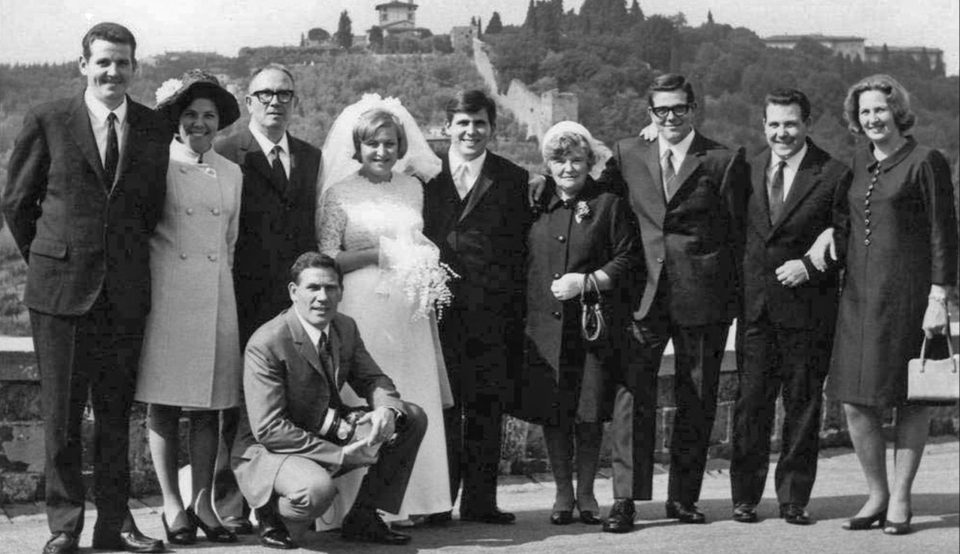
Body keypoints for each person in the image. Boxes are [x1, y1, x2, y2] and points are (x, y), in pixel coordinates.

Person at [1, 22, 167, 554]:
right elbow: (16, 203)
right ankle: (64, 528)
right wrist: (53, 258)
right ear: (83, 66)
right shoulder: (50, 120)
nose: (113, 72)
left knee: (117, 416)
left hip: (124, 295)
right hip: (60, 295)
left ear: (134, 68)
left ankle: (114, 526)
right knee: (64, 419)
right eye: (103, 62)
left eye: (122, 62)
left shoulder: (151, 127)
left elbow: (149, 210)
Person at [597, 73, 749, 529]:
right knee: (630, 396)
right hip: (641, 296)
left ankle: (683, 498)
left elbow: (740, 232)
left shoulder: (722, 159)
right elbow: (597, 199)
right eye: (661, 110)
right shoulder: (628, 153)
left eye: (678, 108)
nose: (670, 117)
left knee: (697, 396)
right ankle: (626, 499)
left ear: (693, 109)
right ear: (650, 114)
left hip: (703, 297)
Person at [813, 74, 957, 535]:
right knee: (855, 401)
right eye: (864, 112)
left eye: (880, 109)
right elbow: (846, 221)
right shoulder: (857, 165)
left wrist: (940, 299)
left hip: (911, 297)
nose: (872, 118)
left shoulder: (925, 161)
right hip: (857, 298)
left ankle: (900, 498)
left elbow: (944, 234)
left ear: (897, 112)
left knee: (911, 400)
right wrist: (827, 236)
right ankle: (874, 492)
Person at [232, 252, 428, 548]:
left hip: (324, 430)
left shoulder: (344, 327)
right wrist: (340, 456)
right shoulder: (267, 342)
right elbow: (269, 429)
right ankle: (271, 512)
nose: (322, 297)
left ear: (341, 291)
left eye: (330, 288)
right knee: (316, 491)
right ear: (293, 292)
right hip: (271, 449)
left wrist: (386, 410)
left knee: (410, 417)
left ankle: (363, 516)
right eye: (313, 288)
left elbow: (374, 379)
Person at [317, 96, 451, 525]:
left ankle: (409, 503)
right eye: (373, 144)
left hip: (408, 311)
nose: (382, 152)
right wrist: (379, 254)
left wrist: (424, 254)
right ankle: (353, 507)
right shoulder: (340, 193)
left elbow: (417, 238)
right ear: (357, 147)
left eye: (390, 143)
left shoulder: (412, 188)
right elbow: (327, 259)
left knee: (411, 394)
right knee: (368, 396)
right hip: (362, 307)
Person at [728, 89, 852, 526]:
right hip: (756, 309)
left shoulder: (835, 173)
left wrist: (810, 267)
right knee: (750, 406)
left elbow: (846, 236)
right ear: (764, 125)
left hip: (808, 311)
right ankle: (744, 497)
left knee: (802, 408)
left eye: (791, 124)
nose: (782, 132)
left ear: (807, 124)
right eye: (774, 124)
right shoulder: (746, 167)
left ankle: (793, 499)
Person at [212, 63, 323, 538]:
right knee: (237, 405)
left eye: (284, 94)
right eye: (265, 94)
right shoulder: (225, 151)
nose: (275, 102)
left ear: (293, 101)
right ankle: (230, 502)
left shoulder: (311, 156)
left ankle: (277, 501)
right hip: (241, 296)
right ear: (249, 99)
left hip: (291, 302)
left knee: (288, 405)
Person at [133, 70, 243, 545]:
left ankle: (203, 504)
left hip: (216, 295)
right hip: (168, 295)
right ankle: (172, 506)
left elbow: (230, 240)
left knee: (209, 408)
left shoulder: (232, 172)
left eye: (209, 116)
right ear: (176, 120)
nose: (200, 123)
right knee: (164, 402)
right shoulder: (155, 163)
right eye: (191, 115)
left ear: (219, 123)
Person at [516, 121, 643, 528]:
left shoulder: (609, 204)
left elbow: (628, 259)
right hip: (544, 328)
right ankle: (561, 492)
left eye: (576, 159)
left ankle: (587, 491)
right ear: (547, 164)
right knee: (555, 413)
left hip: (592, 328)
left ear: (590, 161)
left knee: (588, 412)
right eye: (559, 160)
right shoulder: (534, 202)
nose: (568, 168)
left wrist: (587, 281)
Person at [422, 90, 534, 524]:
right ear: (448, 125)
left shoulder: (513, 177)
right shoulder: (425, 174)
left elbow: (519, 249)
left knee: (487, 406)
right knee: (444, 407)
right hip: (437, 311)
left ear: (492, 127)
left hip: (493, 313)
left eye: (480, 123)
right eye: (463, 122)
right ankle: (437, 501)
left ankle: (481, 501)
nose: (471, 131)